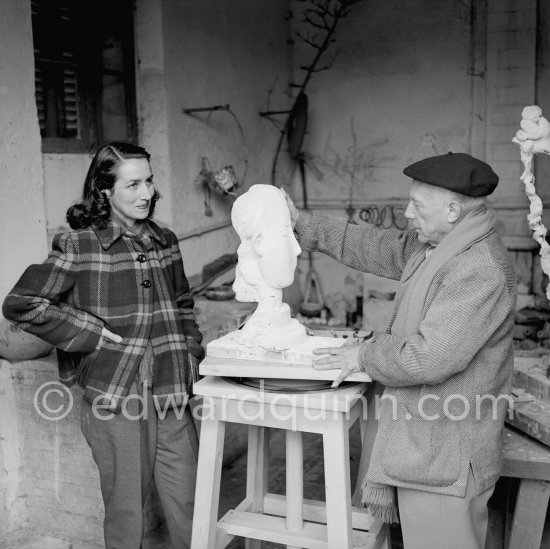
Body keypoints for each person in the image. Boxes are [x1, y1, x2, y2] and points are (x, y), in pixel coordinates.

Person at [285, 152, 516, 549]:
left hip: (446, 455)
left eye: (418, 205)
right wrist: (301, 224)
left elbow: (430, 357)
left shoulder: (478, 268)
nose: (408, 213)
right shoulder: (441, 246)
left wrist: (364, 355)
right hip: (427, 444)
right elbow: (371, 244)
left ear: (454, 209)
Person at [3, 142, 204, 549]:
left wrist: (190, 352)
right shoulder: (80, 245)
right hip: (115, 396)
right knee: (127, 514)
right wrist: (89, 332)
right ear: (105, 191)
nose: (146, 192)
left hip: (171, 388)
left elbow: (183, 303)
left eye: (149, 181)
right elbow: (22, 303)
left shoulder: (165, 240)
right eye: (133, 184)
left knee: (192, 505)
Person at [231, 184, 305, 350]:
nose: (297, 249)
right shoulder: (260, 330)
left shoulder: (282, 319)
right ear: (258, 243)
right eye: (285, 233)